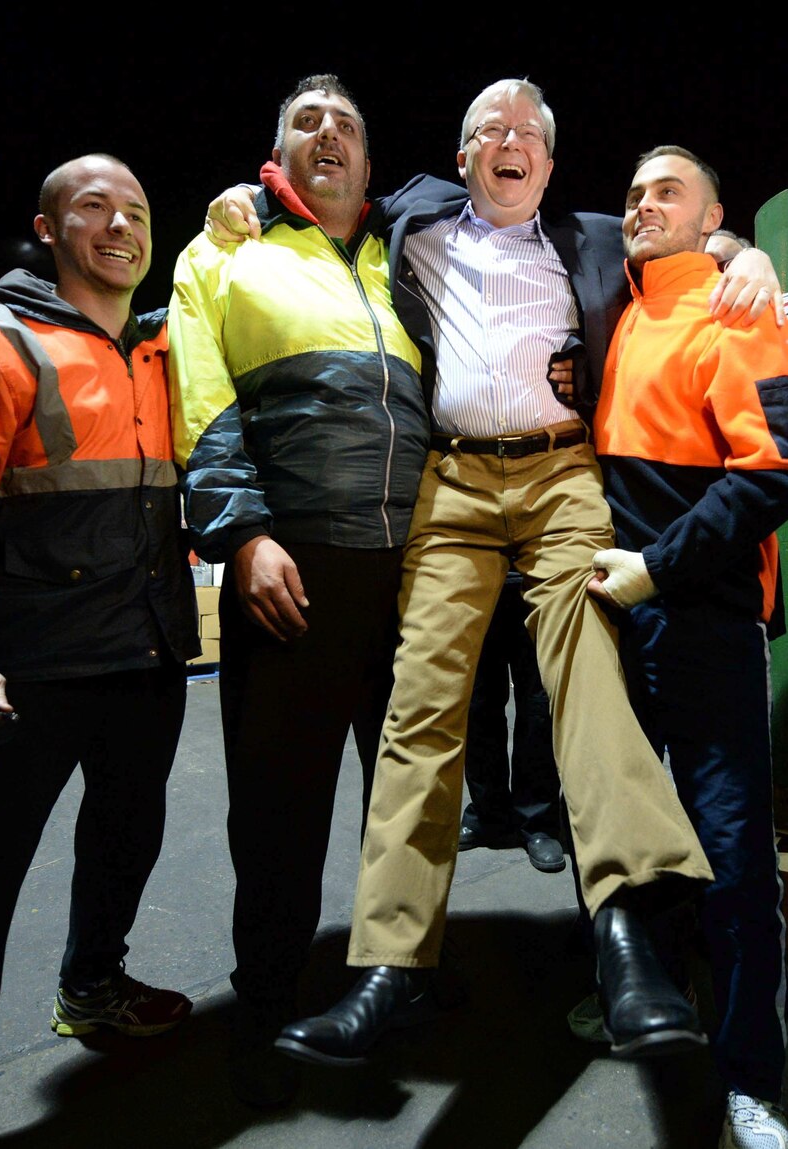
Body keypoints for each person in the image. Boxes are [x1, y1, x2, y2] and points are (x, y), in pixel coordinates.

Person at [207, 78, 783, 1073]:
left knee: (585, 678)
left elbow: (688, 241)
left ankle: (625, 941)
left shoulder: (597, 239)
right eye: (491, 131)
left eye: (530, 133)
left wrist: (746, 253)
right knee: (420, 707)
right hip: (456, 482)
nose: (511, 141)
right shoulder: (416, 221)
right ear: (464, 156)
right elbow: (324, 200)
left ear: (550, 166)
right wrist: (254, 199)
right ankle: (389, 967)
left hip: (563, 476)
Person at [167, 75, 432, 1108]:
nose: (329, 136)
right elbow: (202, 394)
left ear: (367, 163)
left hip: (408, 569)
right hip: (292, 562)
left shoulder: (396, 265)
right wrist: (241, 537)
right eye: (306, 123)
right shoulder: (222, 253)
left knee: (403, 800)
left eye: (347, 126)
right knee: (278, 804)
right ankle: (268, 1000)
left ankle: (390, 980)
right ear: (277, 151)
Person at [0, 153, 200, 1149]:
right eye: (95, 208)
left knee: (124, 842)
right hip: (19, 671)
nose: (121, 225)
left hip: (144, 658)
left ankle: (95, 988)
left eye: (136, 209)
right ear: (48, 230)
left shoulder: (169, 349)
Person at [585, 144, 788, 1149]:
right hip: (623, 614)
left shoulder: (736, 307)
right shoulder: (617, 306)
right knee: (637, 838)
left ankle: (751, 1076)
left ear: (712, 216)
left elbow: (769, 475)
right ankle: (648, 995)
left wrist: (656, 568)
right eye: (631, 192)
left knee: (735, 856)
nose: (641, 204)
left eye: (666, 191)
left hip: (699, 616)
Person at [458, 571, 566, 874]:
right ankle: (487, 812)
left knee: (537, 710)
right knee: (478, 705)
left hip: (537, 580)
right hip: (476, 581)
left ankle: (538, 821)